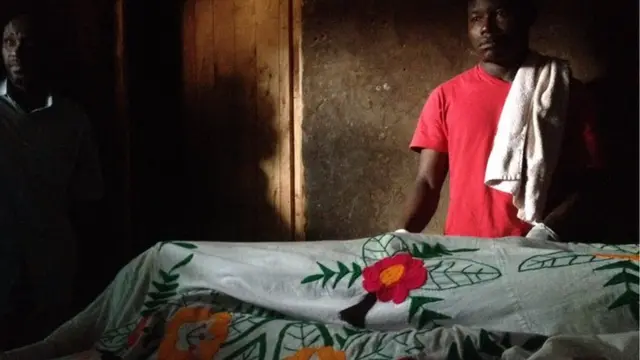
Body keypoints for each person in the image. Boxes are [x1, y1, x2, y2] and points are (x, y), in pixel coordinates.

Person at [399, 0, 600, 238]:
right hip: (465, 249)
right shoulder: (446, 96)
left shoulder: (561, 92)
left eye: (501, 13)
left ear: (527, 16)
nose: (486, 27)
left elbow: (592, 178)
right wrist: (401, 235)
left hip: (541, 250)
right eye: (476, 18)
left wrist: (548, 231)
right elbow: (427, 183)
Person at [0, 9, 103, 347]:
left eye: (27, 44)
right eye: (9, 42)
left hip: (52, 261)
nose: (17, 52)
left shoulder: (72, 120)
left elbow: (87, 195)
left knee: (51, 344)